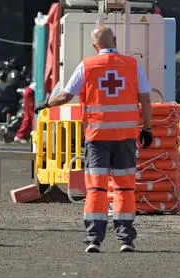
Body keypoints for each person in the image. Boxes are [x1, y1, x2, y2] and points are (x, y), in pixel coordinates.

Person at [34, 25, 153, 253]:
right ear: (115, 41)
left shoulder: (86, 66)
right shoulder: (132, 65)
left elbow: (66, 95)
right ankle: (125, 239)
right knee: (124, 189)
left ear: (94, 46)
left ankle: (93, 240)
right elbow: (145, 100)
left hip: (97, 137)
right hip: (126, 138)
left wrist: (46, 104)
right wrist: (147, 128)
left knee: (96, 190)